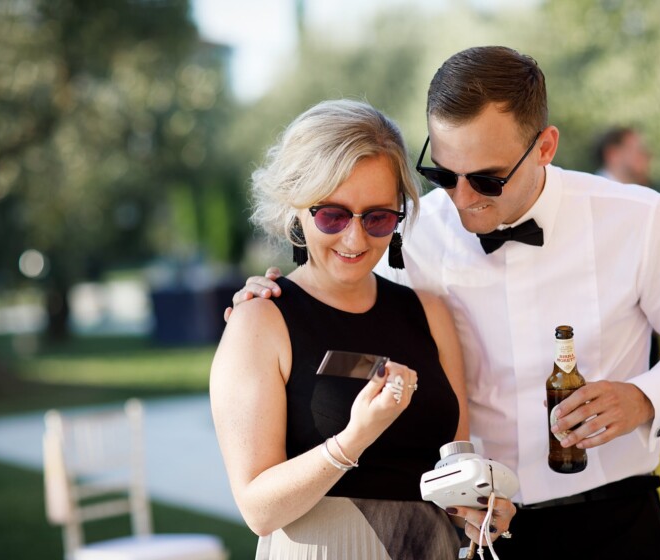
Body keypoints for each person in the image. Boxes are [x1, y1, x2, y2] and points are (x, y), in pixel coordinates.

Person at [230, 47, 660, 558]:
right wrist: (267, 298)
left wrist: (645, 397)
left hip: (615, 521)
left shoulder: (637, 219)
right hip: (480, 534)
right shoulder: (408, 233)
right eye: (444, 175)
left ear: (545, 146)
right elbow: (336, 280)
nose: (461, 198)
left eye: (486, 179)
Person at [210, 99, 515, 559]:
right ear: (297, 207)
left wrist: (478, 508)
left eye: (378, 218)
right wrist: (353, 438)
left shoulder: (429, 313)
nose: (355, 240)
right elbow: (258, 509)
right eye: (332, 215)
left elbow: (452, 466)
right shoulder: (261, 320)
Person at [594, 125, 660, 503]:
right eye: (639, 150)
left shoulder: (645, 202)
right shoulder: (600, 205)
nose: (647, 158)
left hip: (657, 330)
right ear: (613, 154)